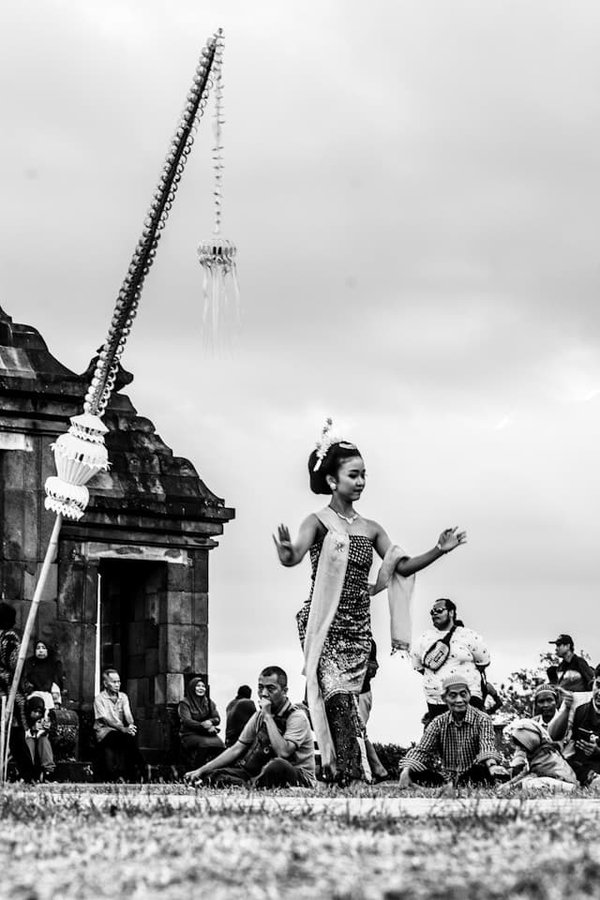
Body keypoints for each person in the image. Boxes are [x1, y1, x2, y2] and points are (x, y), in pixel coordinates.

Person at [273, 421, 466, 785]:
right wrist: (286, 553)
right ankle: (351, 775)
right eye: (353, 475)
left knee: (349, 702)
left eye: (364, 475)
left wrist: (438, 550)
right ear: (333, 480)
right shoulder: (317, 522)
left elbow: (400, 566)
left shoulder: (372, 528)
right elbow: (294, 554)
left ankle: (343, 772)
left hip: (358, 627)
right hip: (324, 624)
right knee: (336, 696)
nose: (360, 481)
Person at [184, 666, 315, 788]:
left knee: (278, 766)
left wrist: (268, 717)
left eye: (271, 689)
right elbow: (237, 748)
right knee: (214, 774)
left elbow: (284, 752)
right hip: (259, 772)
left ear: (284, 691)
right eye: (260, 688)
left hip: (295, 774)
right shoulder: (259, 716)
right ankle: (251, 784)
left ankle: (251, 785)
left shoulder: (297, 717)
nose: (264, 693)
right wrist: (201, 770)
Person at [399, 675, 507, 788]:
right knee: (414, 771)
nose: (459, 700)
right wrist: (407, 770)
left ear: (469, 695)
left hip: (472, 774)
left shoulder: (482, 719)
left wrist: (492, 766)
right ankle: (447, 786)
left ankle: (451, 787)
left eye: (463, 694)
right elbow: (422, 750)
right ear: (444, 699)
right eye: (453, 696)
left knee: (481, 771)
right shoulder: (438, 722)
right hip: (446, 777)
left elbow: (487, 745)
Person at [411, 598, 490, 724]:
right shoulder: (424, 638)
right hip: (437, 700)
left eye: (439, 610)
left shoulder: (468, 635)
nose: (434, 614)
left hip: (468, 699)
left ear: (451, 612)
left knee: (471, 737)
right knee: (442, 740)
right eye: (432, 612)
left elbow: (483, 661)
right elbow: (418, 666)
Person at [551, 666, 600, 788]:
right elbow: (553, 735)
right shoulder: (579, 706)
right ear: (593, 683)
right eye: (598, 685)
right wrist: (566, 708)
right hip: (582, 768)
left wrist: (598, 751)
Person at [499, 718, 576, 795]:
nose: (520, 749)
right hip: (555, 782)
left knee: (529, 783)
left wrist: (513, 786)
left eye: (522, 746)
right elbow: (525, 772)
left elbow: (533, 774)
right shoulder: (534, 755)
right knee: (528, 782)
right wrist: (509, 783)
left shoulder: (546, 754)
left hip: (565, 784)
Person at [93, 668, 145, 782]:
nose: (117, 685)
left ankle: (137, 772)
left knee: (129, 739)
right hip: (104, 732)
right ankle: (141, 769)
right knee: (124, 739)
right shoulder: (99, 699)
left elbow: (128, 714)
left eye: (118, 681)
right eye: (114, 682)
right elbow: (104, 720)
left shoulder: (123, 697)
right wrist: (123, 729)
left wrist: (131, 726)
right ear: (106, 683)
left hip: (120, 731)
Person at [178, 676, 225, 765]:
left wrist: (210, 722)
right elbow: (187, 721)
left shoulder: (209, 702)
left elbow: (217, 718)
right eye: (198, 686)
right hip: (189, 734)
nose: (201, 688)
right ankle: (196, 769)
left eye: (203, 686)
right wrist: (204, 726)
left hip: (206, 733)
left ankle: (215, 770)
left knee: (220, 744)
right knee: (205, 744)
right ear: (192, 688)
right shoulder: (184, 703)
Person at [358, 640, 388, 782]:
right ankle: (377, 769)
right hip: (361, 693)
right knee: (360, 733)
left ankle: (368, 773)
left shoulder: (365, 639)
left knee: (358, 734)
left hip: (360, 693)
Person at [22, 695, 55, 782]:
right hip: (28, 739)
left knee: (44, 740)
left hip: (40, 740)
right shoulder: (24, 717)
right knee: (28, 742)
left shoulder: (45, 717)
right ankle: (28, 769)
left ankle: (48, 770)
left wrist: (40, 728)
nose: (37, 714)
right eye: (34, 711)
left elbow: (46, 728)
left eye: (39, 712)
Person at [23, 640, 64, 704]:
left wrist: (55, 693)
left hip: (50, 695)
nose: (41, 650)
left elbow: (57, 681)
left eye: (43, 648)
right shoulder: (30, 663)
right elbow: (26, 679)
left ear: (47, 650)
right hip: (34, 695)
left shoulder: (53, 663)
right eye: (38, 648)